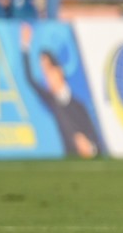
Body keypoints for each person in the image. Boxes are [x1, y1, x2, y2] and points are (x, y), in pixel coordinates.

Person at [20, 23, 99, 158]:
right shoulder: (52, 101)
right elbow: (30, 79)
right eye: (43, 72)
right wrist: (25, 47)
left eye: (48, 69)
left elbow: (95, 141)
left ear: (59, 71)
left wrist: (90, 147)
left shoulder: (79, 106)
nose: (47, 77)